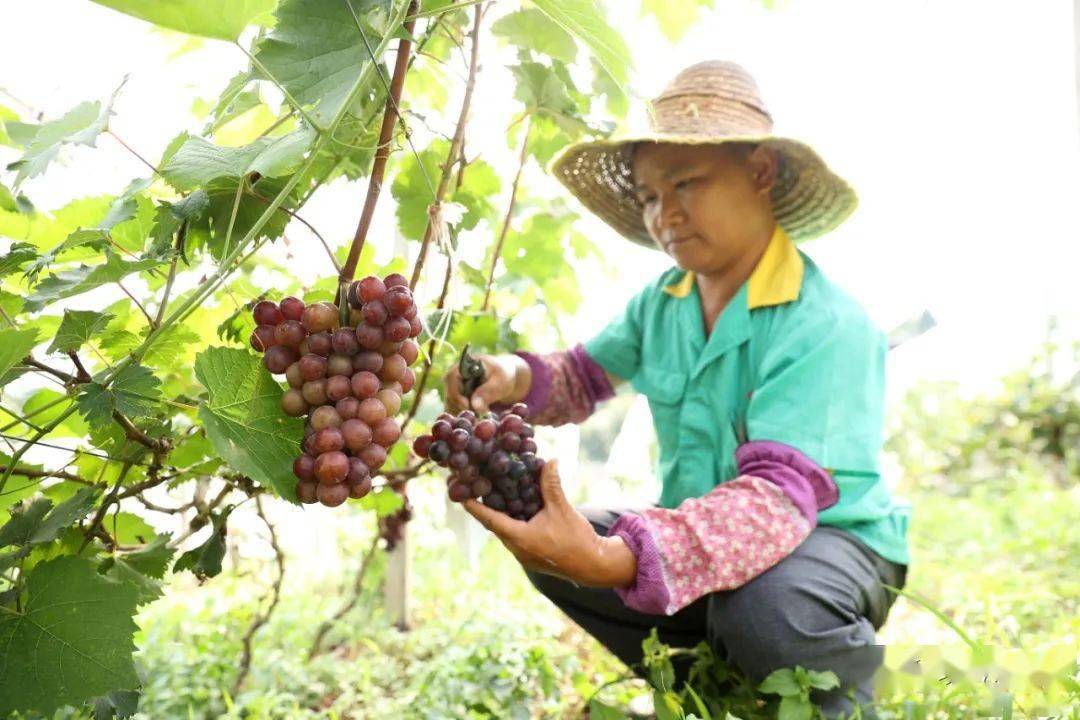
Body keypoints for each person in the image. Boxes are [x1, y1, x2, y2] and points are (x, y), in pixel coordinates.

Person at [442, 60, 910, 718]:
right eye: (649, 197)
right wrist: (510, 376)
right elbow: (581, 377)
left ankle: (844, 700)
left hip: (832, 539)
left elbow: (775, 504)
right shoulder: (664, 300)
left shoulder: (824, 324)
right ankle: (715, 693)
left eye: (686, 183)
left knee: (764, 608)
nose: (665, 214)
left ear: (761, 173)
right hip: (706, 528)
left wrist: (609, 558)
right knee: (555, 537)